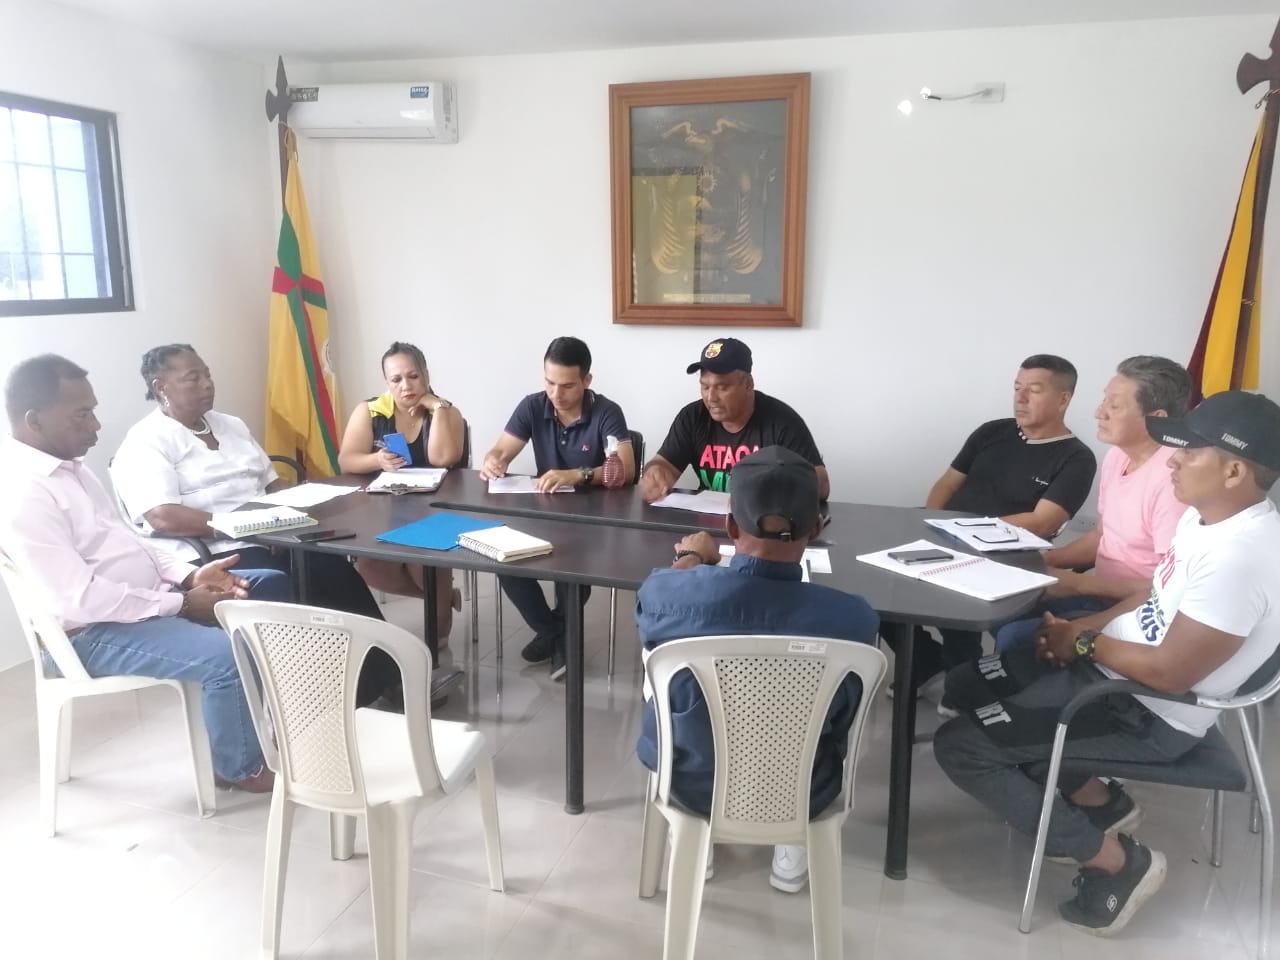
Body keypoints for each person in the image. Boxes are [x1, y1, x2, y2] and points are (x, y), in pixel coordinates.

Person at [933, 389, 1280, 937]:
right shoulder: (1206, 520)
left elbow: (1170, 674)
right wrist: (1081, 630)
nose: (1174, 461)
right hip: (1114, 671)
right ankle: (1096, 799)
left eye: (1191, 453)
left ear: (1234, 471)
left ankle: (1117, 863)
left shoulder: (1240, 557)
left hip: (1145, 710)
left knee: (961, 747)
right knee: (967, 682)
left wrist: (1083, 646)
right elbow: (1152, 599)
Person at [0, 354, 294, 792]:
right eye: (82, 415)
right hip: (89, 633)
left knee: (266, 587)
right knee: (226, 655)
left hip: (140, 604)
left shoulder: (72, 469)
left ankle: (262, 725)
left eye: (93, 411)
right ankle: (238, 767)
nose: (96, 426)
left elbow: (135, 541)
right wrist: (181, 604)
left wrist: (192, 576)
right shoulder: (23, 491)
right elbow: (79, 600)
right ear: (34, 421)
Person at [635, 446, 879, 893]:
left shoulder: (668, 596)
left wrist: (691, 557)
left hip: (689, 783)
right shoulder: (855, 620)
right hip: (806, 788)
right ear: (817, 528)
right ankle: (791, 846)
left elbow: (658, 592)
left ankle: (696, 840)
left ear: (730, 526)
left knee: (657, 666)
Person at [110, 343, 400, 705]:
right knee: (288, 585)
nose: (207, 384)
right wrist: (235, 525)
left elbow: (272, 485)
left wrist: (312, 501)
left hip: (269, 533)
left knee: (333, 568)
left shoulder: (231, 425)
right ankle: (315, 698)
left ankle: (385, 679)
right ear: (160, 387)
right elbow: (162, 515)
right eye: (193, 378)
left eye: (207, 374)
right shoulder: (146, 441)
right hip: (214, 551)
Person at [911, 354, 1098, 691]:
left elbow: (1043, 522)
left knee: (956, 588)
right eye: (1016, 388)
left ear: (1063, 399)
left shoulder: (1076, 457)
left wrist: (965, 532)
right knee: (873, 582)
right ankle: (925, 664)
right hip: (946, 532)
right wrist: (933, 522)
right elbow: (947, 484)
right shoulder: (991, 432)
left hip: (1005, 553)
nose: (1020, 398)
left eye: (1034, 390)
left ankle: (962, 679)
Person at [994, 357, 1191, 653]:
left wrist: (1077, 584)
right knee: (1000, 602)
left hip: (1139, 609)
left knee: (1015, 635)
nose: (1099, 412)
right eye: (1104, 400)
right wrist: (1043, 562)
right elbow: (1103, 536)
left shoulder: (1175, 481)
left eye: (1114, 406)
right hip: (1101, 592)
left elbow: (1170, 589)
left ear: (1157, 418)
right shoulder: (1117, 456)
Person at [479, 336, 634, 679]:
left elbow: (625, 468)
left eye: (566, 386)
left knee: (571, 566)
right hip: (544, 511)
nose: (556, 394)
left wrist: (577, 474)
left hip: (594, 518)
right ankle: (556, 633)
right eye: (549, 383)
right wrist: (494, 460)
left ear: (586, 380)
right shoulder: (533, 406)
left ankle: (556, 636)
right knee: (504, 559)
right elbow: (502, 449)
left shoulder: (606, 412)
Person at [337, 341, 466, 640]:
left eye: (413, 376)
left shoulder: (447, 411)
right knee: (371, 568)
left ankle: (438, 625)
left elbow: (443, 459)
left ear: (426, 375)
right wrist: (376, 459)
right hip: (384, 509)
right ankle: (443, 597)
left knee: (426, 568)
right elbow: (347, 460)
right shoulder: (370, 411)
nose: (406, 386)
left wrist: (437, 408)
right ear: (387, 382)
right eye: (396, 380)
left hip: (436, 511)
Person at [639, 338, 829, 502]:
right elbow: (662, 464)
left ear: (748, 384)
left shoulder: (781, 421)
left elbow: (821, 485)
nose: (711, 398)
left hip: (761, 523)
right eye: (705, 387)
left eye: (722, 387)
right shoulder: (692, 417)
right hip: (706, 520)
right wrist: (655, 473)